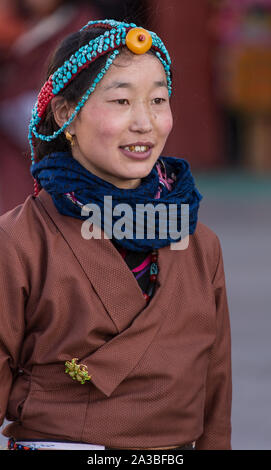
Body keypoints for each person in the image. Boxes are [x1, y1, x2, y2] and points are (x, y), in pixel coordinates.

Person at [0, 19, 232, 450]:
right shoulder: (19, 243)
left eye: (158, 100)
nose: (145, 123)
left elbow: (215, 414)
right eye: (122, 100)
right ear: (67, 113)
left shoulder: (201, 246)